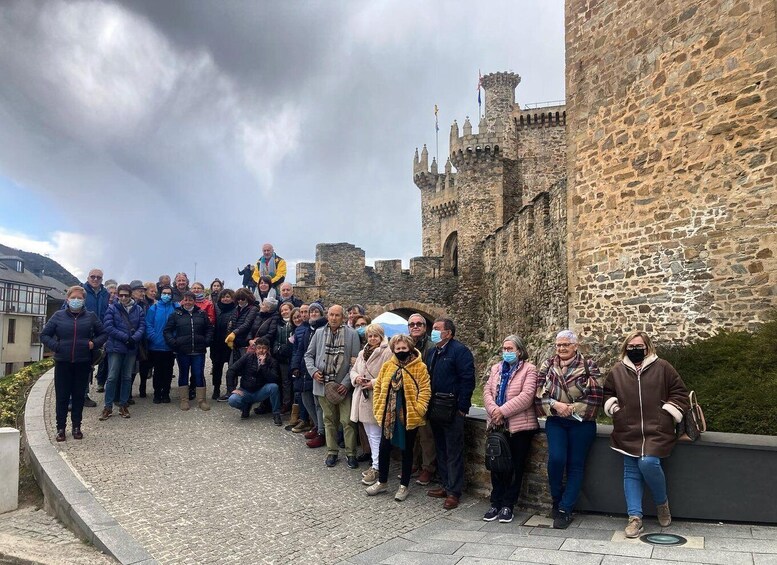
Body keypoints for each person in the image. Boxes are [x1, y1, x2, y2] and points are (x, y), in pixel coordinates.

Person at [603, 330, 689, 538]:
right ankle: (634, 518)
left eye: (638, 346)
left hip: (657, 430)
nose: (634, 350)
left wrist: (667, 411)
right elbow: (607, 393)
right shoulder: (618, 370)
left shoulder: (663, 368)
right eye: (631, 347)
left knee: (648, 462)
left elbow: (680, 392)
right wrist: (615, 408)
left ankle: (661, 503)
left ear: (647, 347)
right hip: (628, 429)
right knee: (630, 471)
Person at [535, 329, 604, 529]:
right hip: (556, 420)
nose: (562, 348)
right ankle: (556, 499)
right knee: (556, 459)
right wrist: (557, 406)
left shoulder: (588, 366)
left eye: (566, 344)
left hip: (582, 422)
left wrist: (572, 408)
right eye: (559, 345)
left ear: (575, 346)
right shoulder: (548, 365)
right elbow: (538, 392)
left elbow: (596, 396)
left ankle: (565, 509)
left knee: (576, 465)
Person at [365, 334, 431, 501]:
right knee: (384, 447)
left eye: (404, 348)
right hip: (389, 415)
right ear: (393, 349)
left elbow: (425, 389)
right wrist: (378, 406)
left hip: (408, 416)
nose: (401, 351)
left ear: (410, 348)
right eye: (398, 348)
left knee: (407, 450)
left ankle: (404, 486)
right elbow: (379, 386)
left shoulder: (420, 367)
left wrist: (419, 409)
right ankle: (382, 481)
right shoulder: (388, 366)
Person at [482, 335, 539, 524]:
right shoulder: (496, 369)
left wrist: (502, 411)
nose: (506, 352)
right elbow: (487, 391)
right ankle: (495, 502)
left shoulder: (529, 370)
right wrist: (493, 411)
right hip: (497, 426)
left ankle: (508, 504)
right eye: (504, 349)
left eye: (510, 349)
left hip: (519, 427)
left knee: (515, 466)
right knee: (496, 465)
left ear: (520, 351)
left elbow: (527, 396)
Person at [40, 286, 107, 441]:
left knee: (78, 397)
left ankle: (77, 427)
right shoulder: (58, 316)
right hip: (63, 362)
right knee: (62, 397)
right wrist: (57, 346)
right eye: (73, 298)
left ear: (84, 300)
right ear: (67, 299)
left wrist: (94, 343)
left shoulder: (91, 316)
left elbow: (103, 334)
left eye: (79, 298)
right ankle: (60, 428)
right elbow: (44, 335)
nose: (76, 300)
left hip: (83, 362)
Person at [425, 317, 475, 510]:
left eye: (437, 329)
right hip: (436, 408)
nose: (434, 331)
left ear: (449, 333)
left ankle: (454, 491)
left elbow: (467, 380)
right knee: (441, 448)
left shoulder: (459, 351)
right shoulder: (432, 352)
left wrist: (462, 408)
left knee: (454, 451)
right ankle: (445, 485)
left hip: (453, 409)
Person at [304, 304, 361, 468]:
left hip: (343, 386)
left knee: (347, 422)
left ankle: (351, 453)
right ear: (327, 316)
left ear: (342, 317)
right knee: (328, 420)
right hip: (322, 384)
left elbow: (355, 362)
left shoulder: (352, 335)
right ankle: (332, 452)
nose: (334, 318)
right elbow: (308, 356)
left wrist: (346, 383)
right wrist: (313, 372)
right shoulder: (319, 333)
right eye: (331, 315)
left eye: (337, 315)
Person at [349, 323, 393, 486]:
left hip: (377, 396)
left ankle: (377, 467)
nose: (373, 338)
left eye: (376, 335)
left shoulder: (387, 352)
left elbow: (390, 374)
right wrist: (356, 378)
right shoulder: (362, 352)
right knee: (370, 433)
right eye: (370, 336)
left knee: (376, 434)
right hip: (363, 396)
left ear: (381, 336)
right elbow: (353, 370)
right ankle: (376, 464)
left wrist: (373, 382)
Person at [100, 284, 145, 420]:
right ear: (117, 295)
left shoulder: (138, 309)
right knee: (112, 377)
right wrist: (125, 338)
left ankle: (123, 405)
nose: (123, 297)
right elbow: (108, 326)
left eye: (126, 295)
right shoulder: (112, 308)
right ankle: (108, 406)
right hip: (115, 347)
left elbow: (142, 326)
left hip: (131, 348)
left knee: (127, 377)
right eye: (121, 295)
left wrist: (134, 338)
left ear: (130, 294)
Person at [163, 291, 214, 411]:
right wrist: (174, 343)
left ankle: (201, 400)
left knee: (199, 374)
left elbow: (209, 329)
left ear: (194, 301)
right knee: (183, 374)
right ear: (182, 301)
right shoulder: (176, 314)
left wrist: (206, 341)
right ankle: (184, 400)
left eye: (190, 299)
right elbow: (167, 331)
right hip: (182, 351)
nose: (188, 302)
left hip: (198, 351)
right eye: (185, 300)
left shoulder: (202, 314)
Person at [291, 302, 327, 445]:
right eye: (311, 311)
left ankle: (322, 432)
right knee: (306, 400)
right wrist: (295, 366)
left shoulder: (325, 329)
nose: (313, 313)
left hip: (318, 370)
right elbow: (300, 350)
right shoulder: (306, 329)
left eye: (315, 311)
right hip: (305, 370)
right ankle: (317, 425)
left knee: (318, 403)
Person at [226, 337, 283, 425]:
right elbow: (231, 370)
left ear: (268, 349)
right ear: (255, 349)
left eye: (264, 348)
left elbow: (274, 379)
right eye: (259, 348)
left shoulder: (272, 361)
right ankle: (246, 407)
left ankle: (276, 414)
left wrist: (263, 365)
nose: (261, 350)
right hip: (246, 390)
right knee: (232, 400)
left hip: (261, 391)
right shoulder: (248, 357)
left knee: (274, 387)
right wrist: (232, 388)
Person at [407, 313, 436, 486]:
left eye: (419, 324)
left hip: (424, 397)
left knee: (426, 435)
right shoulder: (405, 345)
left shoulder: (431, 347)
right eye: (412, 324)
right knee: (412, 433)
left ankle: (428, 468)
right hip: (408, 396)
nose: (415, 327)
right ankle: (414, 463)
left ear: (425, 328)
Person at [220, 288, 258, 401]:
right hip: (235, 345)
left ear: (248, 298)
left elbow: (247, 324)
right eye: (238, 299)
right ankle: (230, 392)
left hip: (246, 345)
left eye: (243, 299)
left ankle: (248, 393)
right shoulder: (236, 309)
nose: (241, 301)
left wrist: (234, 333)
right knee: (232, 369)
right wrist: (230, 336)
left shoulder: (253, 309)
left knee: (248, 370)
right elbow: (231, 324)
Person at [81, 268, 110, 404]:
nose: (95, 279)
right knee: (77, 366)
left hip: (98, 335)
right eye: (93, 276)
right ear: (88, 278)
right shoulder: (81, 291)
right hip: (81, 333)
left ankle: (84, 395)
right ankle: (71, 398)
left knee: (89, 366)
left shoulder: (105, 294)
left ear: (102, 279)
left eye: (98, 277)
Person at [145, 285, 176, 403]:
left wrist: (174, 339)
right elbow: (148, 324)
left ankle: (166, 393)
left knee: (168, 371)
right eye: (164, 293)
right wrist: (154, 338)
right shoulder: (154, 308)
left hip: (170, 346)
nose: (166, 295)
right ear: (160, 294)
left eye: (169, 293)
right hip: (156, 346)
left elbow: (178, 325)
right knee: (157, 372)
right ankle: (157, 393)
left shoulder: (175, 307)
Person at [210, 288, 236, 400]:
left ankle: (231, 390)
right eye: (223, 297)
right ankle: (216, 388)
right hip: (217, 343)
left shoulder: (236, 309)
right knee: (217, 367)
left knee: (232, 368)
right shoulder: (215, 308)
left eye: (228, 297)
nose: (225, 299)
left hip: (230, 343)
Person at [274, 301, 296, 413]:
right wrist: (278, 350)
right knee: (285, 382)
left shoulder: (295, 323)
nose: (284, 312)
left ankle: (295, 405)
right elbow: (276, 339)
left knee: (295, 381)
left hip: (294, 356)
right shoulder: (279, 324)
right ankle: (286, 403)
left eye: (286, 309)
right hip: (282, 357)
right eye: (282, 310)